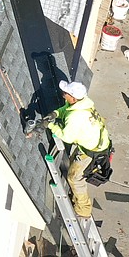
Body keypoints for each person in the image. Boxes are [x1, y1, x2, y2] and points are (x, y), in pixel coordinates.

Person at [44, 80, 111, 218]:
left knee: (75, 178)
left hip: (92, 152)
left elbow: (66, 137)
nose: (63, 95)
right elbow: (67, 110)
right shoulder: (83, 104)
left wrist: (50, 126)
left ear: (73, 98)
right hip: (98, 143)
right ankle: (77, 200)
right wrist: (55, 114)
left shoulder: (76, 116)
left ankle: (83, 210)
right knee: (74, 169)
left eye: (66, 93)